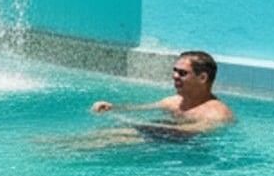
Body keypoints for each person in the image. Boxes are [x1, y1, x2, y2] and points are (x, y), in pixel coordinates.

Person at [88, 50, 236, 138]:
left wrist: (137, 126)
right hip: (158, 136)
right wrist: (113, 107)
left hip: (185, 156)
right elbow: (141, 108)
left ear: (202, 78)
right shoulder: (173, 102)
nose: (175, 76)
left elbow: (188, 133)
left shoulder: (217, 114)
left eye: (182, 73)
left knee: (117, 138)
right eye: (175, 70)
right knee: (103, 135)